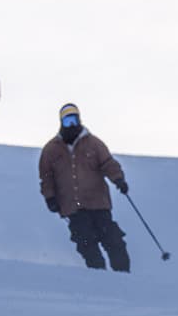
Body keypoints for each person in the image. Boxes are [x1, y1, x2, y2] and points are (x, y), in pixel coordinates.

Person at [37, 103, 131, 272]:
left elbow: (108, 163)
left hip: (98, 204)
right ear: (61, 123)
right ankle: (99, 276)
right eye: (67, 122)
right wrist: (50, 197)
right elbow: (46, 177)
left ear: (79, 120)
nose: (72, 125)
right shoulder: (51, 149)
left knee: (112, 239)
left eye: (74, 120)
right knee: (86, 242)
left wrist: (118, 179)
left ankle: (123, 276)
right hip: (72, 207)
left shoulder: (94, 144)